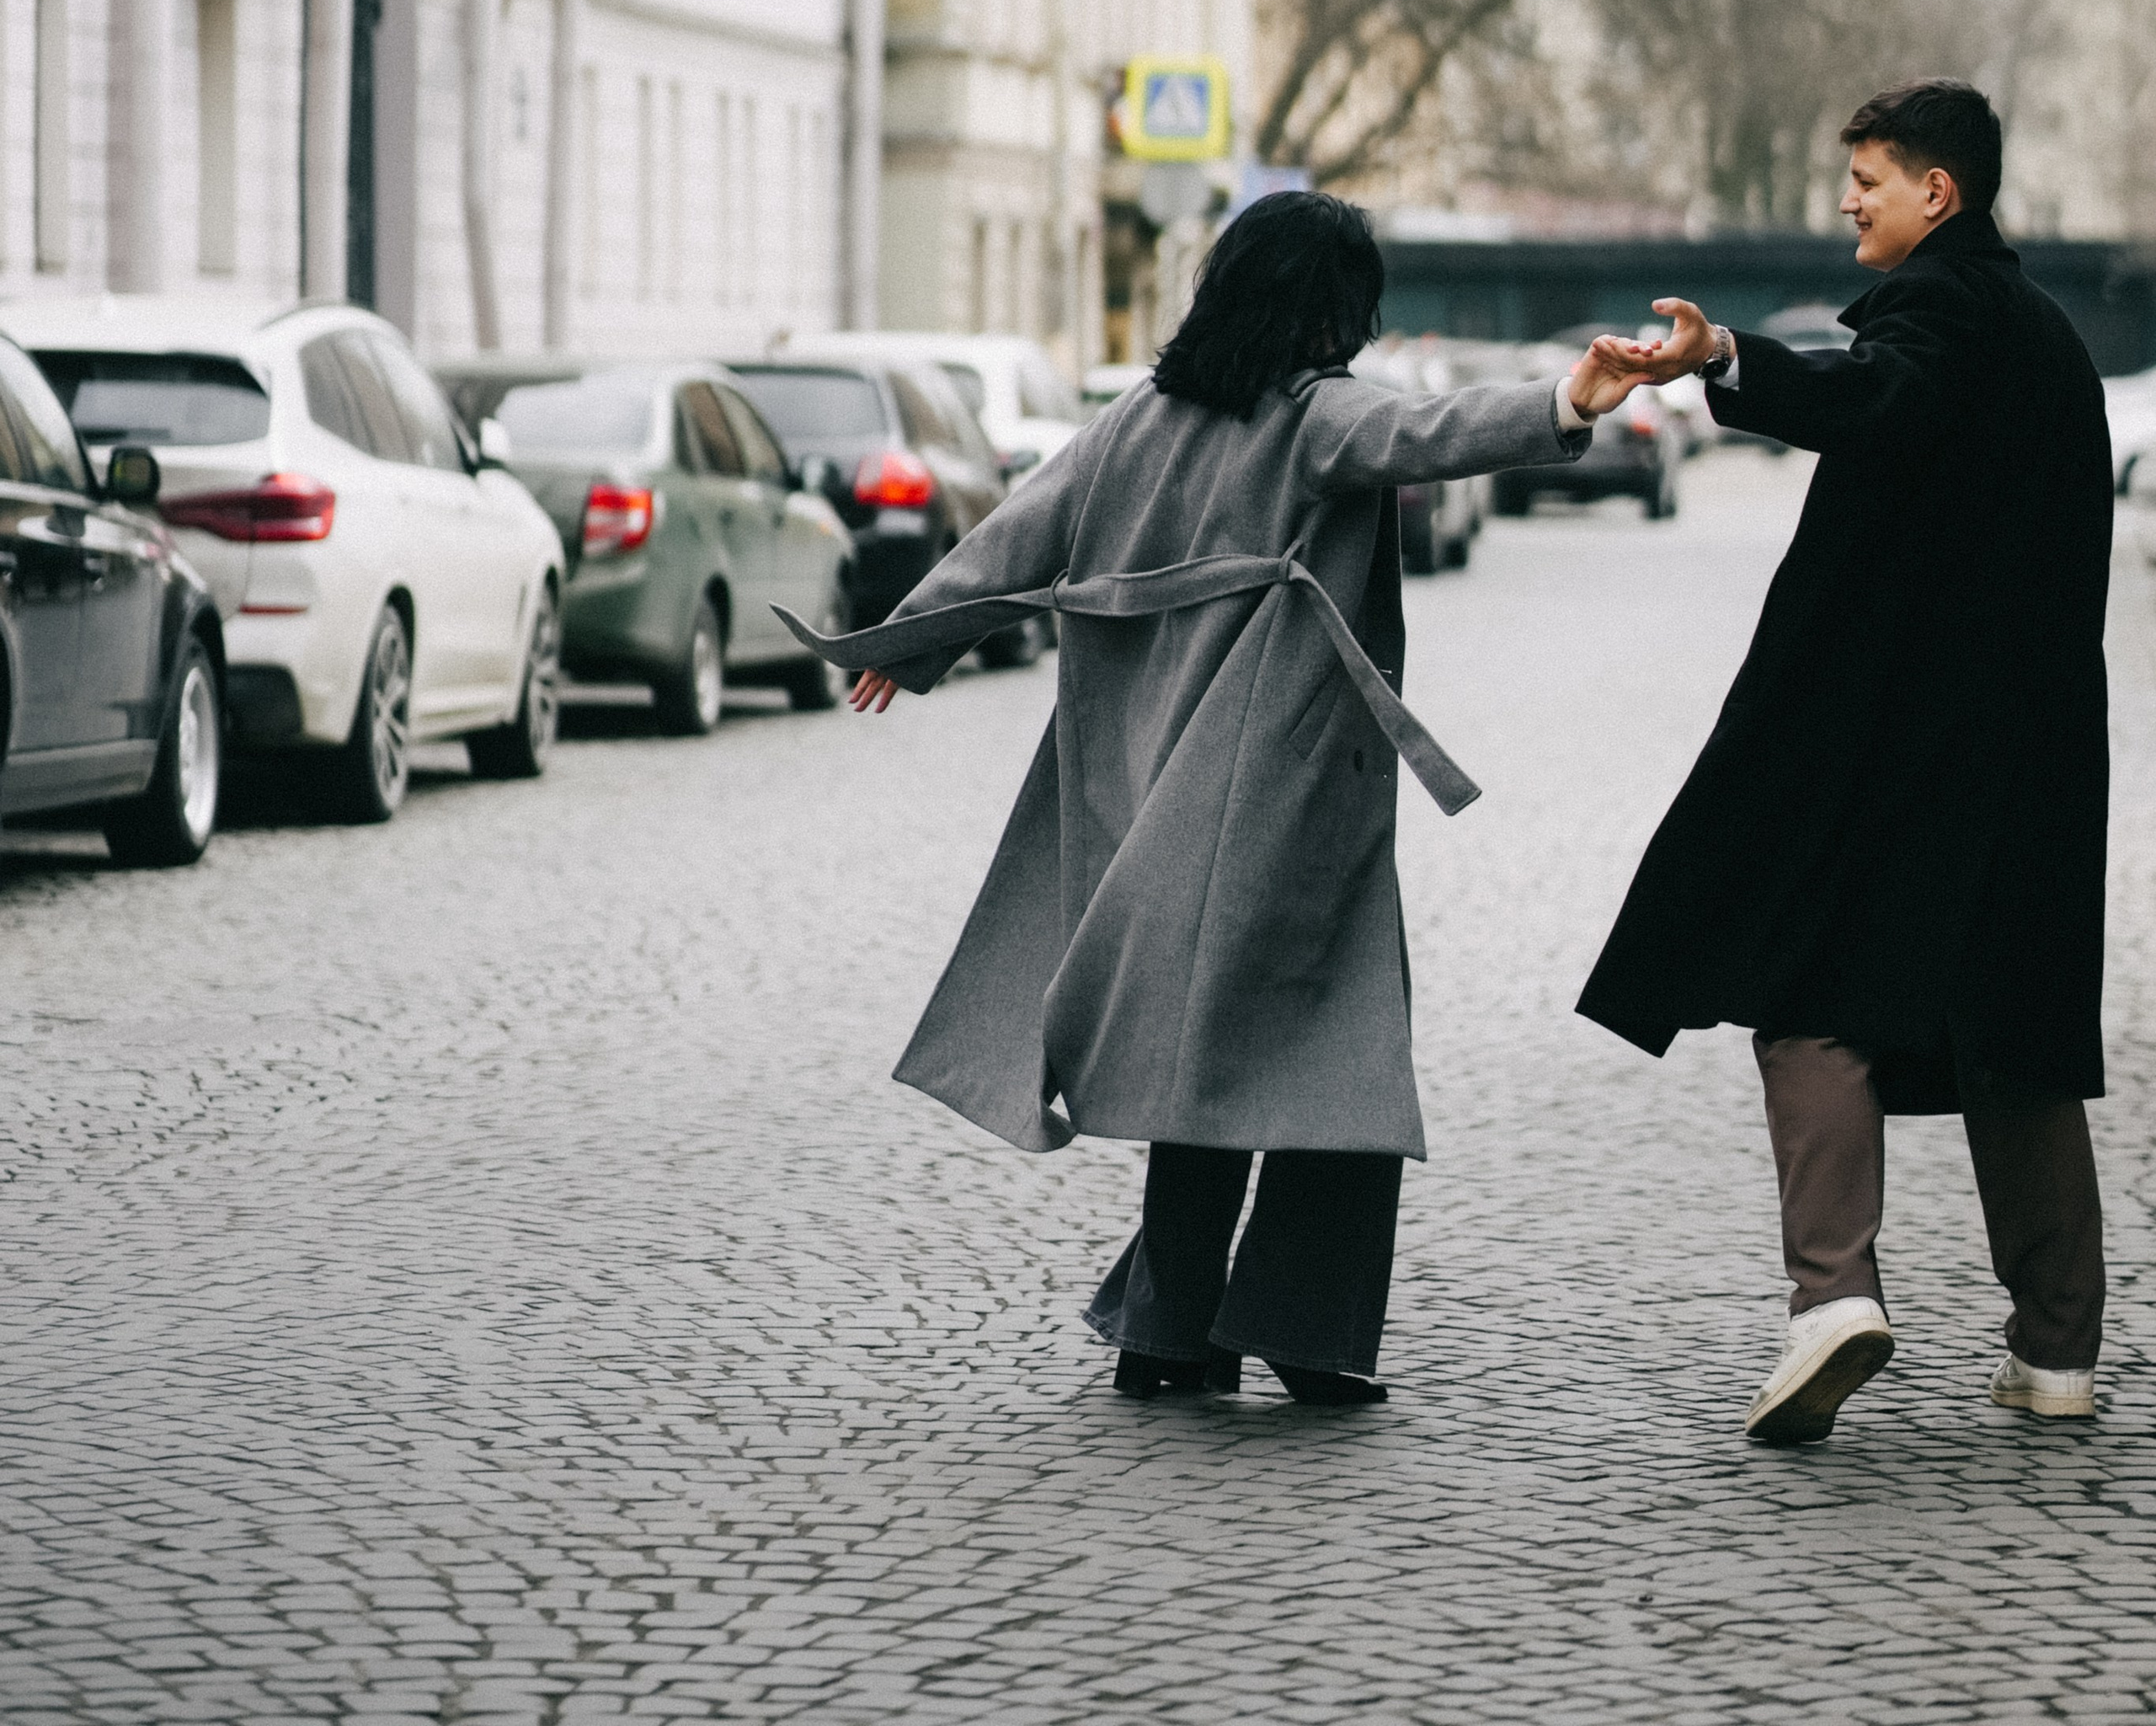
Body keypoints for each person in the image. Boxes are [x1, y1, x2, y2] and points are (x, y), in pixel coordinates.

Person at [776, 190, 1660, 1408]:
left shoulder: (1133, 417)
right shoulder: (1314, 418)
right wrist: (1571, 400)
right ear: (1336, 307)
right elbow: (1434, 431)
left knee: (1214, 1057)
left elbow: (1015, 537)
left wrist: (908, 638)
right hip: (1287, 797)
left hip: (1148, 795)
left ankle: (1170, 1333)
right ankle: (1300, 1334)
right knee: (1337, 1050)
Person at [1577, 80, 2112, 1447]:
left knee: (1804, 985)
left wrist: (1722, 358)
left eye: (1868, 177)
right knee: (2017, 1028)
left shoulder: (1943, 312)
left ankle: (1832, 1299)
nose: (1846, 200)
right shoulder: (2052, 341)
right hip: (2036, 753)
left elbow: (1872, 398)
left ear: (1941, 194)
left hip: (1893, 741)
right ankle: (2057, 1352)